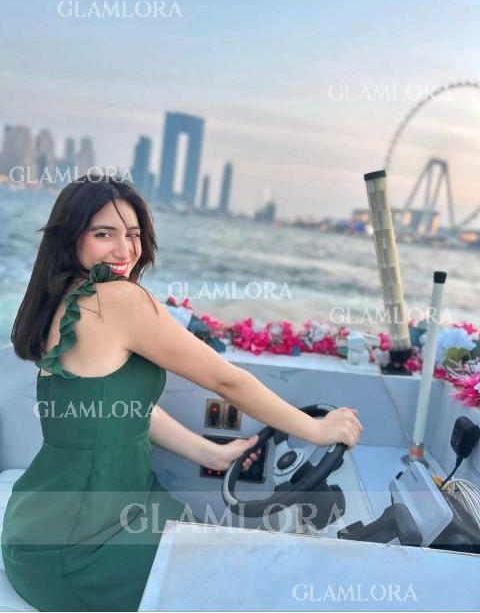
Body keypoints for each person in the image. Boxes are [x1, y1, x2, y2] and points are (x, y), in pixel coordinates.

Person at [2, 175, 362, 612]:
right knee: (246, 582)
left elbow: (116, 409)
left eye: (133, 234)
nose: (125, 250)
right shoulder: (117, 301)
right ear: (71, 237)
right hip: (84, 545)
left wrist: (209, 453)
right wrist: (317, 430)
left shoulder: (62, 298)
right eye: (104, 234)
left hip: (48, 525)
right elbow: (226, 382)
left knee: (225, 560)